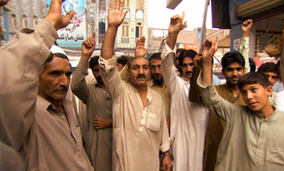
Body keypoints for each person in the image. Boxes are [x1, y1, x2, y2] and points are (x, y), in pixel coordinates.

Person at [0, 0, 94, 169]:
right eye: (54, 74)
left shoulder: (67, 107)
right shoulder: (29, 115)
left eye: (67, 74)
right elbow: (6, 80)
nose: (64, 82)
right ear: (37, 76)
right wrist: (50, 24)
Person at [196, 37, 284, 171]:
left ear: (269, 90)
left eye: (253, 90)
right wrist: (207, 62)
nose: (249, 97)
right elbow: (209, 96)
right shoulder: (236, 113)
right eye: (244, 92)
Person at [98, 0, 171, 170]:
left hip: (150, 165)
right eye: (136, 68)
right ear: (128, 72)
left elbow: (162, 130)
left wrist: (166, 154)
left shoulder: (157, 98)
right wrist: (112, 28)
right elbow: (107, 64)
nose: (141, 71)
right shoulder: (121, 92)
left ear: (150, 72)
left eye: (145, 68)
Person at [188, 19, 252, 171]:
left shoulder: (250, 96)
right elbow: (195, 96)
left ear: (243, 71)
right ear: (223, 72)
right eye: (230, 69)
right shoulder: (215, 92)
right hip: (216, 150)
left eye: (238, 69)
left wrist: (245, 35)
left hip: (243, 152)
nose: (235, 73)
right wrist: (201, 65)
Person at [160, 12, 209, 171]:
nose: (189, 69)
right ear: (180, 67)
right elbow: (167, 65)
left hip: (203, 146)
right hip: (181, 147)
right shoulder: (178, 85)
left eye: (192, 65)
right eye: (185, 65)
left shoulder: (209, 88)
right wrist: (173, 34)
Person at [71, 33, 113, 171]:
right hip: (97, 149)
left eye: (102, 70)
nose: (99, 74)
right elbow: (76, 85)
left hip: (117, 145)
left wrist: (110, 122)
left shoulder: (119, 90)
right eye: (96, 71)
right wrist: (84, 57)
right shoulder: (90, 91)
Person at [148, 52, 171, 130]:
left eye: (160, 67)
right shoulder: (146, 88)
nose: (156, 71)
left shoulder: (173, 87)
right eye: (153, 67)